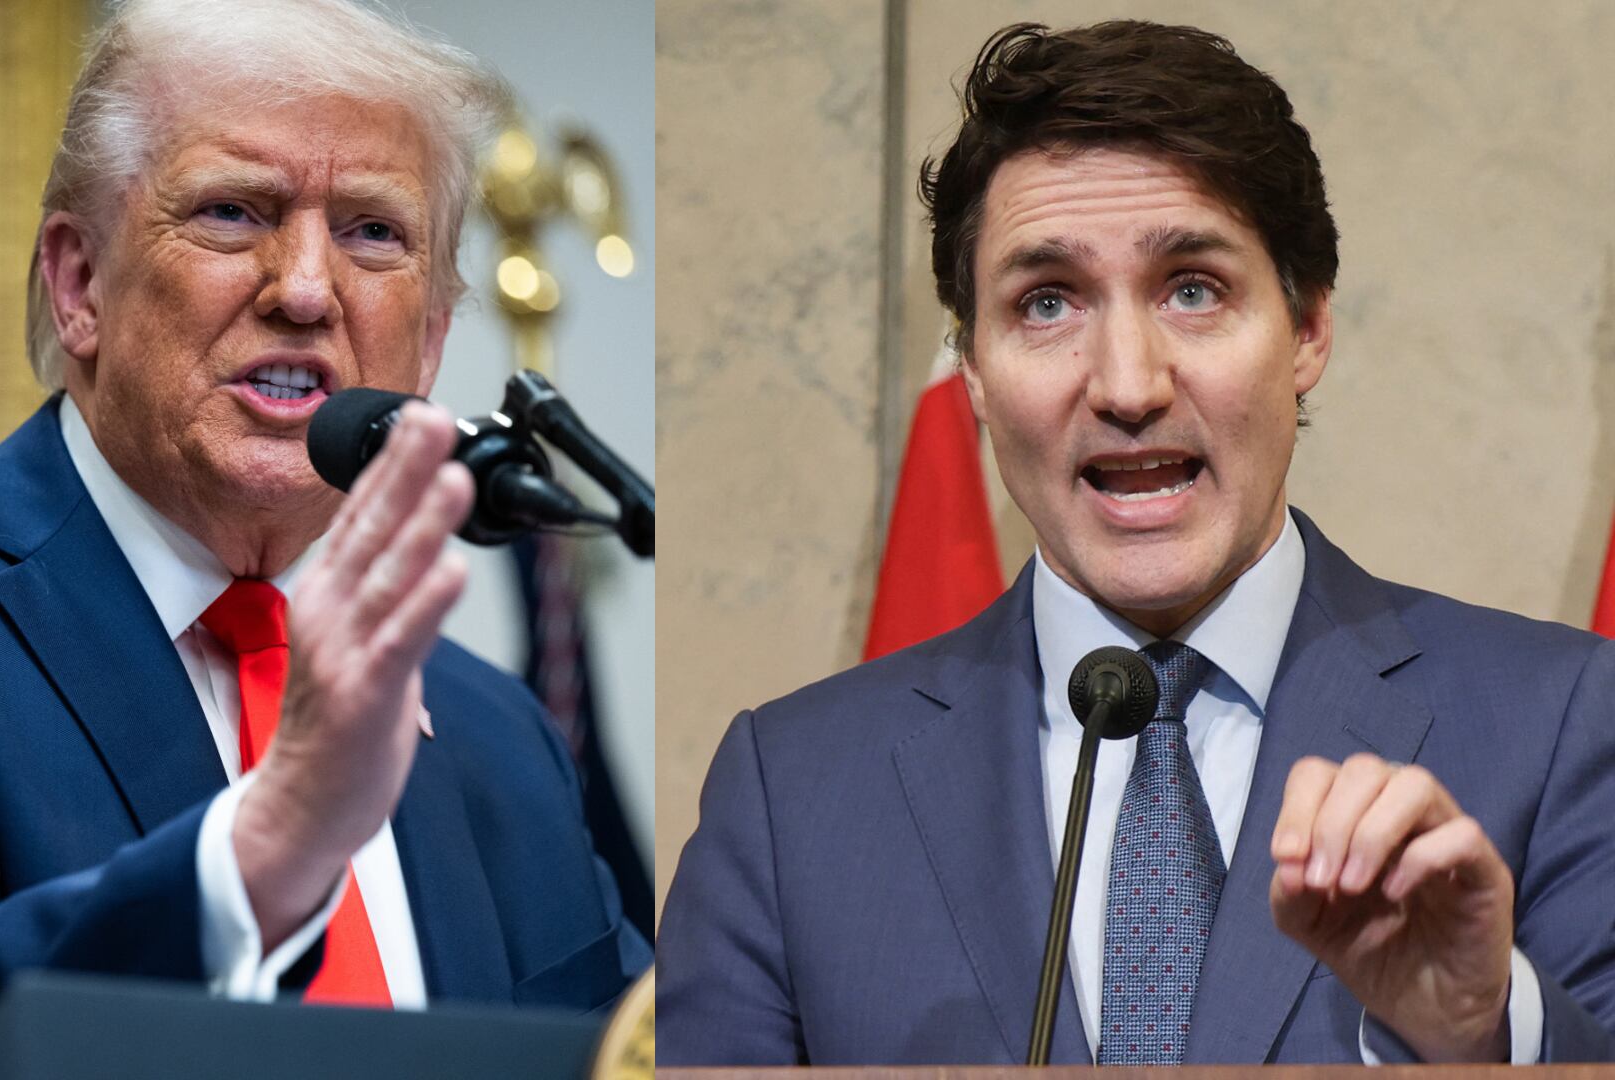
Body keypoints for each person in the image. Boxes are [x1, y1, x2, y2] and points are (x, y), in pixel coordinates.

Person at [0, 2, 648, 1077]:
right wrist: (268, 846)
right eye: (235, 212)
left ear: (427, 343)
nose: (303, 290)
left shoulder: (498, 737)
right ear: (79, 284)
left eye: (373, 233)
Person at [657, 20, 1615, 1066]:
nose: (1125, 385)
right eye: (1047, 303)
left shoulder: (1563, 725)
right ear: (973, 369)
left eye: (1192, 289)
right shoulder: (790, 794)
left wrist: (1485, 1027)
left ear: (1307, 330)